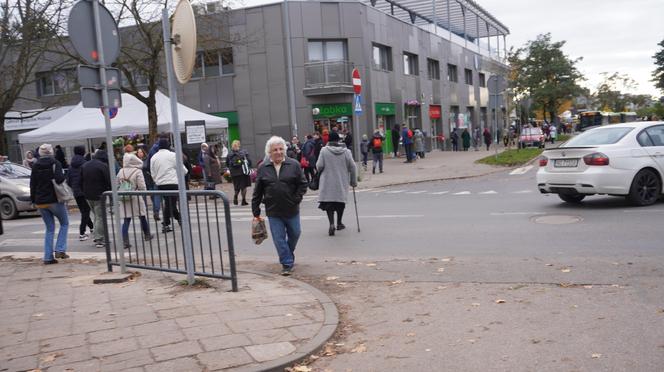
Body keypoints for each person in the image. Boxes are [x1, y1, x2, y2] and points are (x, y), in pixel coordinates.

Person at [252, 136, 308, 276]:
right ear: (269, 152)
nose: (278, 152)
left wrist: (296, 198)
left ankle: (287, 254)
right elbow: (258, 190)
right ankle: (287, 263)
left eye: (280, 149)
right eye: (274, 150)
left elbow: (303, 184)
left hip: (291, 208)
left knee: (295, 233)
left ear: (285, 150)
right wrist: (255, 208)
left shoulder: (293, 164)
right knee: (279, 238)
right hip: (273, 210)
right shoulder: (263, 167)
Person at [30, 144, 69, 264]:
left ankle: (47, 257)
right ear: (51, 152)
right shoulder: (55, 163)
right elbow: (59, 179)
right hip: (54, 199)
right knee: (64, 223)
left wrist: (33, 200)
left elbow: (33, 184)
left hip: (40, 201)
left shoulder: (35, 165)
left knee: (49, 228)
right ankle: (60, 249)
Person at [316, 132, 357, 236]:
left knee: (329, 204)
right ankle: (339, 223)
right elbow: (353, 167)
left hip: (327, 182)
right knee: (340, 203)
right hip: (341, 181)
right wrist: (353, 181)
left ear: (328, 140)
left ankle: (331, 224)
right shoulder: (346, 151)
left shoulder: (324, 151)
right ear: (339, 140)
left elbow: (319, 166)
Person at [151, 138, 188, 232]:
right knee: (170, 203)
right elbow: (183, 169)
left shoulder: (154, 157)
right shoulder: (172, 155)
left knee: (169, 203)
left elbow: (153, 172)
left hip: (160, 184)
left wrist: (157, 180)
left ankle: (178, 219)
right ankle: (166, 223)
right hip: (172, 183)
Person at [117, 152, 153, 248]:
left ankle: (125, 241)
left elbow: (117, 184)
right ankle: (147, 234)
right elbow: (142, 185)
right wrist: (144, 193)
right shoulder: (137, 171)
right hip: (135, 196)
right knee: (142, 216)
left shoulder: (121, 171)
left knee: (126, 219)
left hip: (124, 197)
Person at [81, 149, 111, 248]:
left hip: (87, 195)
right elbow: (108, 181)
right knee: (100, 217)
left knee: (96, 216)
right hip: (99, 195)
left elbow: (80, 180)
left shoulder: (85, 165)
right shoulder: (103, 166)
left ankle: (98, 236)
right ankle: (99, 239)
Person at [68, 145, 93, 241]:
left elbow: (69, 180)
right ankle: (82, 232)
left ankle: (92, 227)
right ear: (83, 152)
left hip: (76, 192)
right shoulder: (85, 164)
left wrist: (75, 188)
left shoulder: (71, 166)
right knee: (86, 211)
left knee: (84, 211)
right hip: (85, 191)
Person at [226, 140, 252, 206]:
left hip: (234, 173)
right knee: (244, 187)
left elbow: (227, 163)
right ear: (239, 145)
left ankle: (235, 196)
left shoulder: (229, 154)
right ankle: (243, 201)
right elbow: (249, 161)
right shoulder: (243, 152)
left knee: (237, 186)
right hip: (243, 172)